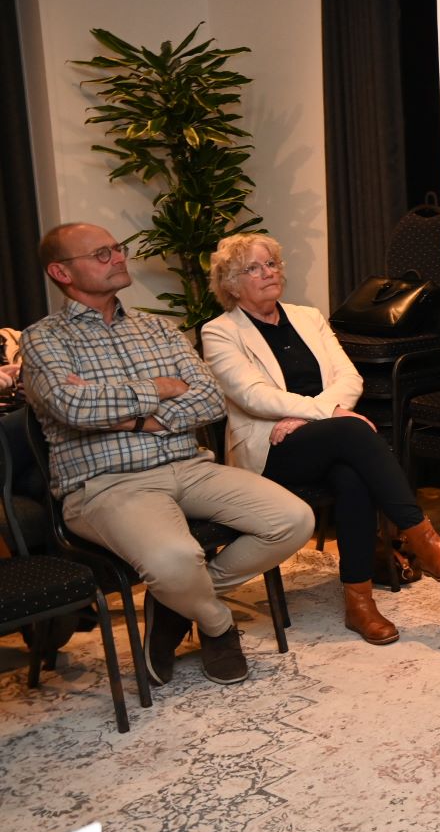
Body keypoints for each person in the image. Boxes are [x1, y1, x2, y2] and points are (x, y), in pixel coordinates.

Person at [20, 223, 314, 685]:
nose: (118, 258)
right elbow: (72, 407)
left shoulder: (157, 328)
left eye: (117, 248)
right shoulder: (44, 338)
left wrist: (125, 411)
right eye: (101, 254)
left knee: (294, 519)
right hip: (107, 483)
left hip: (189, 466)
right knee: (176, 558)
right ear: (62, 272)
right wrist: (160, 388)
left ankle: (174, 601)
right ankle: (216, 624)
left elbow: (210, 400)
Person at [200, 232, 440, 646]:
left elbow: (350, 378)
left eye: (271, 263)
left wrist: (309, 415)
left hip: (322, 434)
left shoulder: (307, 317)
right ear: (231, 285)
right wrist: (328, 412)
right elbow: (252, 395)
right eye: (253, 268)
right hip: (270, 448)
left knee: (352, 473)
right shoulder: (220, 332)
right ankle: (421, 537)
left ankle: (360, 603)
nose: (268, 272)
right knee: (352, 430)